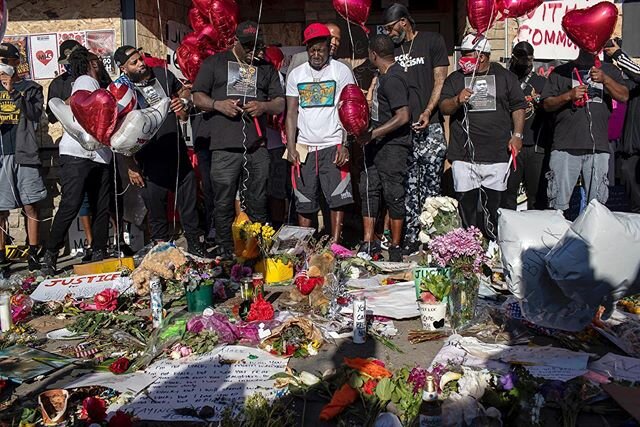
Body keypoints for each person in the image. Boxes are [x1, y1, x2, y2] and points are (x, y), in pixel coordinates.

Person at [192, 21, 285, 259]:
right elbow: (197, 96)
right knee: (222, 202)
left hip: (256, 147)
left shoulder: (266, 68)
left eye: (257, 46)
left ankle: (258, 249)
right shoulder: (215, 63)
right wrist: (218, 105)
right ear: (235, 42)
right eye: (247, 47)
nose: (254, 51)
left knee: (258, 200)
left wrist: (262, 106)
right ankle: (226, 249)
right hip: (223, 147)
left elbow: (280, 102)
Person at [114, 45, 205, 257]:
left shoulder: (162, 74)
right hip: (148, 158)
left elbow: (185, 89)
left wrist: (183, 101)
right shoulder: (122, 91)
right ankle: (161, 254)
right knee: (156, 209)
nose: (141, 64)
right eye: (134, 63)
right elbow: (116, 133)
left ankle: (196, 247)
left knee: (189, 202)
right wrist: (130, 165)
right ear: (123, 68)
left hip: (175, 150)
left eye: (140, 59)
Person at [439, 34, 526, 240]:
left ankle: (493, 243)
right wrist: (457, 99)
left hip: (496, 153)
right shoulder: (456, 78)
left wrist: (517, 135)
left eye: (468, 55)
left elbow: (518, 106)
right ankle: (469, 245)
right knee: (467, 203)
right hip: (464, 153)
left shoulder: (505, 77)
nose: (464, 59)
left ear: (482, 56)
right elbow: (444, 107)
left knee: (493, 204)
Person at [382, 3, 449, 255]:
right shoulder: (393, 50)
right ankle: (410, 238)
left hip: (429, 126)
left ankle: (432, 240)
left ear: (404, 22)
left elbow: (440, 80)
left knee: (431, 187)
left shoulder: (433, 40)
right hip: (403, 131)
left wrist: (428, 111)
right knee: (408, 188)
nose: (390, 34)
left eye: (391, 28)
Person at [41, 47, 113, 275]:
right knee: (74, 204)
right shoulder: (85, 81)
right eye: (96, 60)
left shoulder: (99, 83)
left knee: (98, 205)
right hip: (79, 153)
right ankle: (52, 252)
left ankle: (98, 250)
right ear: (88, 63)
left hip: (98, 152)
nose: (99, 63)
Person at [285, 23, 355, 244]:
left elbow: (349, 108)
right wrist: (291, 146)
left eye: (320, 50)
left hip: (333, 143)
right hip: (304, 146)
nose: (316, 55)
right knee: (304, 200)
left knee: (337, 198)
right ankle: (305, 246)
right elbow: (291, 113)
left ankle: (335, 243)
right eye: (312, 50)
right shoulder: (296, 74)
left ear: (328, 47)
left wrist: (345, 143)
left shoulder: (341, 71)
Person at [542, 48, 629, 214]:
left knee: (597, 207)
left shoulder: (609, 70)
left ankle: (592, 239)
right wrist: (568, 96)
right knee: (557, 205)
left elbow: (624, 96)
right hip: (565, 145)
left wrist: (605, 80)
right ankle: (557, 238)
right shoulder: (561, 71)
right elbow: (546, 104)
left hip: (598, 146)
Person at [356, 35, 411, 262]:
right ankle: (369, 241)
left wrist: (374, 133)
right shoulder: (383, 77)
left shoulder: (394, 78)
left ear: (374, 54)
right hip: (376, 146)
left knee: (393, 194)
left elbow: (403, 115)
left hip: (392, 147)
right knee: (368, 189)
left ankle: (396, 246)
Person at [0, 43, 46, 274]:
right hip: (1, 155)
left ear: (16, 62)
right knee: (0, 209)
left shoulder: (31, 88)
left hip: (24, 153)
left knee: (30, 205)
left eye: (5, 61)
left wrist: (14, 92)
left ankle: (34, 252)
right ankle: (1, 257)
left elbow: (36, 114)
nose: (2, 66)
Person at [502, 41, 549, 210]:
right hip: (509, 144)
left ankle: (536, 231)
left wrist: (540, 101)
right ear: (513, 58)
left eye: (529, 60)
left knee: (536, 194)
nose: (526, 64)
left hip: (535, 145)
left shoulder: (542, 82)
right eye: (522, 60)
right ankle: (509, 232)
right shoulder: (504, 79)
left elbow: (551, 108)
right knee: (508, 193)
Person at [605, 39, 640, 213]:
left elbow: (638, 74)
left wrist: (619, 55)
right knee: (632, 198)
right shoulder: (635, 84)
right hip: (630, 148)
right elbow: (623, 85)